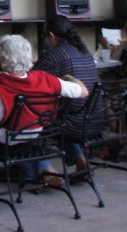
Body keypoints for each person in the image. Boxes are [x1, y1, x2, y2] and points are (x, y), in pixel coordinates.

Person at [0, 34, 89, 187]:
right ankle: (44, 172)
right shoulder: (46, 79)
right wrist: (69, 77)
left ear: (2, 59)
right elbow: (83, 92)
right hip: (34, 138)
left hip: (6, 144)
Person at [34, 16, 100, 174]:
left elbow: (30, 80)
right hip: (95, 120)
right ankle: (80, 160)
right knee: (63, 114)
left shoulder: (54, 56)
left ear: (51, 36)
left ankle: (47, 172)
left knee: (26, 123)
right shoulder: (85, 53)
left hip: (74, 125)